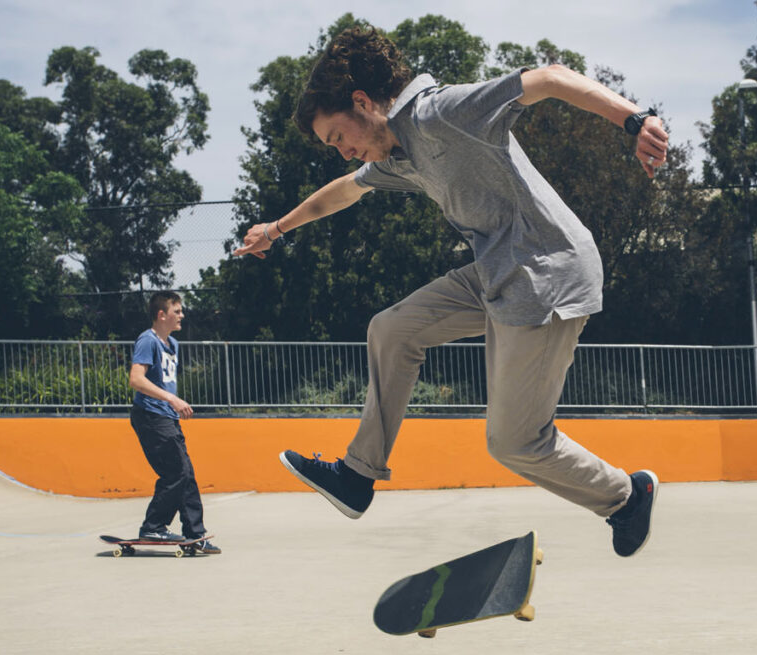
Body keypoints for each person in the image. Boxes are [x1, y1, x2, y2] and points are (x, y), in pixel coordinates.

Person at [234, 26, 665, 557]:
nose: (345, 152)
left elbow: (549, 78)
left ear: (363, 102)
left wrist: (636, 120)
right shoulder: (398, 154)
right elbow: (342, 194)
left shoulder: (441, 113)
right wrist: (275, 229)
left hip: (545, 272)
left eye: (338, 138)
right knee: (392, 330)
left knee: (513, 442)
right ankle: (356, 475)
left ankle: (626, 495)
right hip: (494, 274)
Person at [127, 291, 220, 554]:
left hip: (166, 417)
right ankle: (153, 526)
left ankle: (195, 533)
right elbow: (136, 379)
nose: (182, 315)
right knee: (176, 472)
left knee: (185, 473)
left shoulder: (172, 344)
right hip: (150, 416)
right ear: (161, 315)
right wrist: (172, 399)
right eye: (177, 311)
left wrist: (171, 404)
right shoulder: (148, 340)